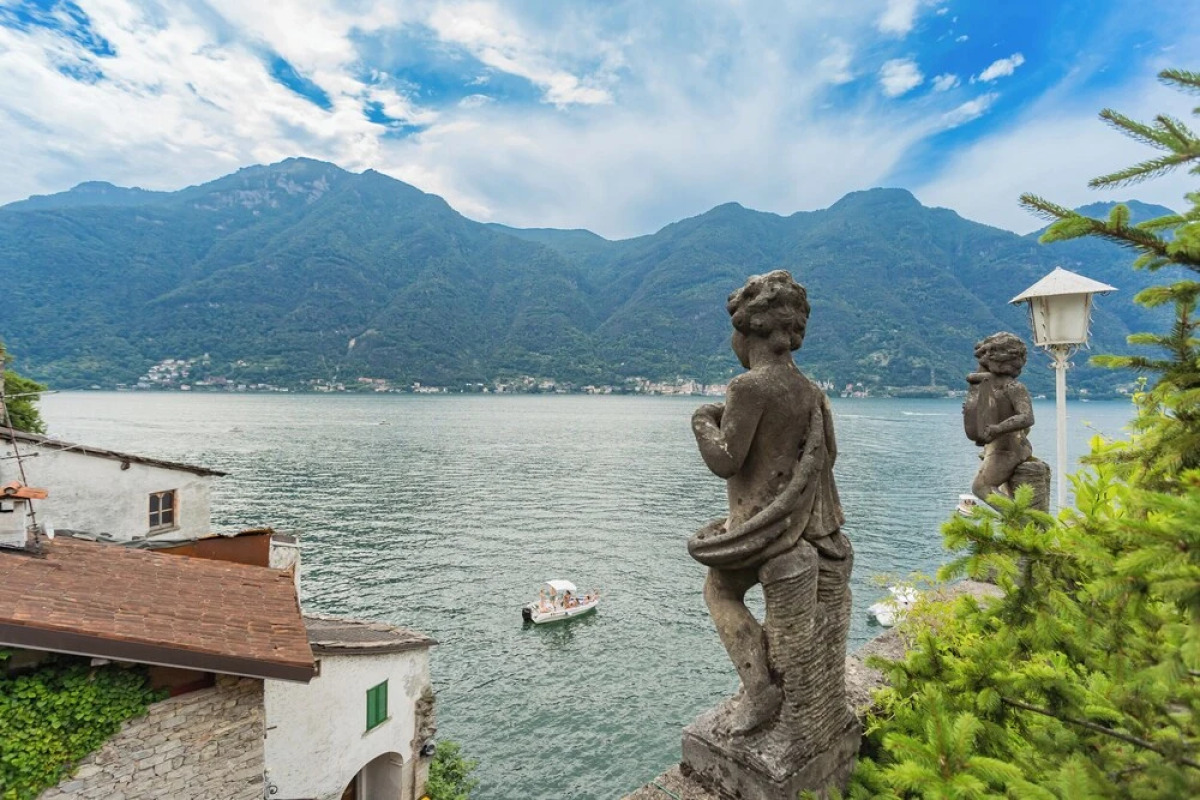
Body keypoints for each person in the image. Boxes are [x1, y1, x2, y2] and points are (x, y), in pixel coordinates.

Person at [689, 270, 852, 739]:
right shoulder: (810, 391)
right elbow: (829, 456)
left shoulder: (749, 388)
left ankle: (760, 688)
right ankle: (773, 685)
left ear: (746, 333)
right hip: (802, 523)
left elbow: (725, 461)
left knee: (720, 591)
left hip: (760, 526)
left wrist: (701, 419)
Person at [962, 332, 1034, 502]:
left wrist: (997, 428)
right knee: (991, 487)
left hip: (1009, 448)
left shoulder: (1014, 387)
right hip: (996, 447)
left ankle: (1020, 519)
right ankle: (1014, 519)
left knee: (980, 487)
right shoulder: (989, 385)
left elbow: (1027, 417)